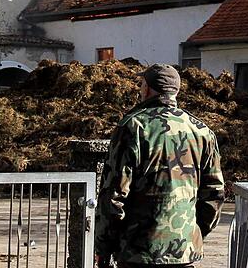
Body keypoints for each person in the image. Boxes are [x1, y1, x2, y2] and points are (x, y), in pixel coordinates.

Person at [95, 64, 224, 268]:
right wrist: (193, 234)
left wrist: (103, 246)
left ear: (146, 88)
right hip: (183, 251)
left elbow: (115, 194)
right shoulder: (202, 131)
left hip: (138, 252)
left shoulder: (133, 126)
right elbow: (214, 193)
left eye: (141, 85)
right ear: (176, 91)